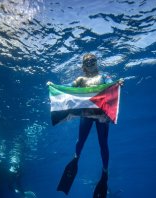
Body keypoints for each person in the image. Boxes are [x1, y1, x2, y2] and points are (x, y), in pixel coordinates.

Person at [48, 53, 123, 197]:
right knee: (81, 141)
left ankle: (105, 170)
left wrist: (118, 83)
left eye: (92, 61)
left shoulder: (103, 77)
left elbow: (112, 83)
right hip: (86, 115)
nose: (90, 63)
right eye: (87, 62)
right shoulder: (80, 79)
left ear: (96, 62)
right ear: (83, 66)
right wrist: (54, 86)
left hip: (101, 115)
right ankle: (76, 158)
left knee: (103, 144)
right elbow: (67, 88)